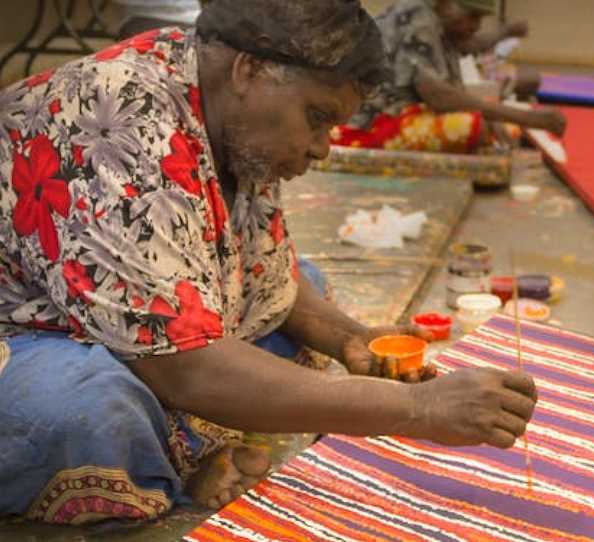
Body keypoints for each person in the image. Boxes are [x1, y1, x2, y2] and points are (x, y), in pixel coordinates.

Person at [0, 0, 537, 525]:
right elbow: (184, 366)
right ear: (250, 69)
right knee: (91, 413)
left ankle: (195, 433)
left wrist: (348, 338)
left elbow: (260, 271)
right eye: (318, 118)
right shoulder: (117, 121)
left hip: (128, 317)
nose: (323, 148)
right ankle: (184, 447)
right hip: (21, 325)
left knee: (304, 298)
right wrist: (416, 410)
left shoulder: (223, 106)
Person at [331, 0, 565, 153]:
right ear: (446, 3)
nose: (475, 26)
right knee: (477, 128)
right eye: (472, 17)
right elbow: (438, 96)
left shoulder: (436, 19)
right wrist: (526, 118)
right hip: (365, 128)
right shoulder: (420, 18)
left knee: (497, 127)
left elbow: (469, 46)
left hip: (394, 115)